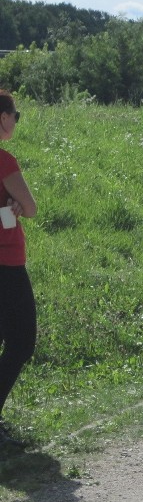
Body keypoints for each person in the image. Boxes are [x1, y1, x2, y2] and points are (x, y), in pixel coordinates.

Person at [0, 90, 37, 447]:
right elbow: (31, 206)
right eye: (15, 114)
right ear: (2, 118)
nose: (15, 120)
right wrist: (14, 206)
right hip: (6, 262)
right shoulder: (4, 162)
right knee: (23, 340)